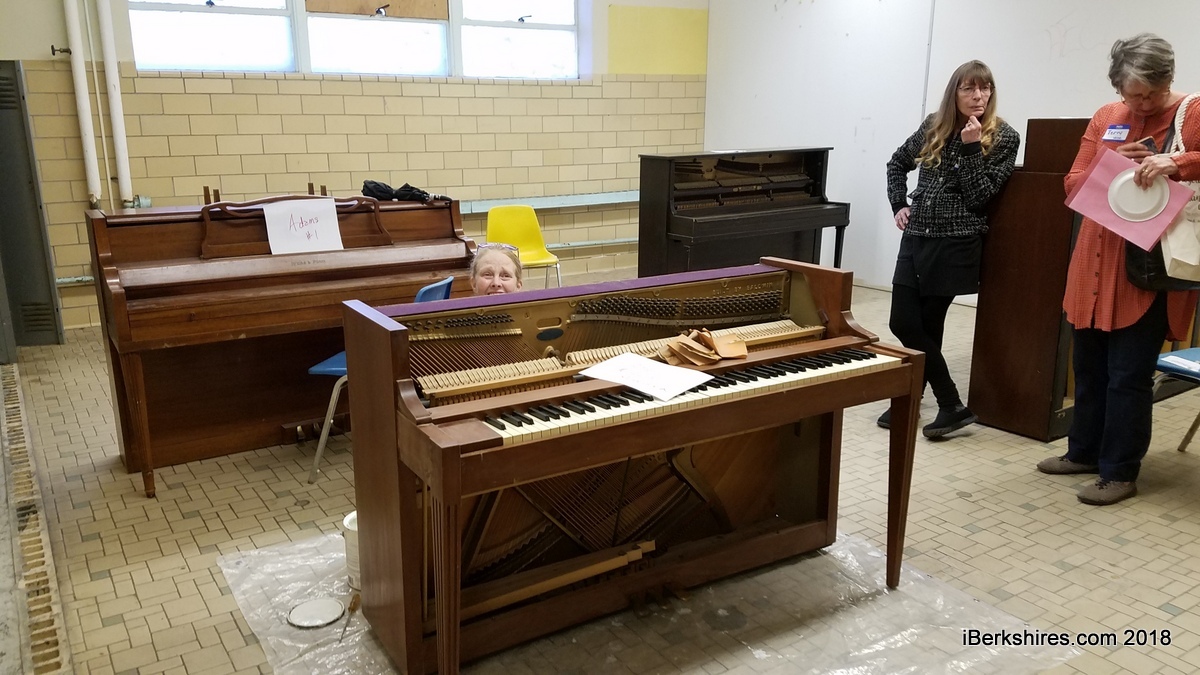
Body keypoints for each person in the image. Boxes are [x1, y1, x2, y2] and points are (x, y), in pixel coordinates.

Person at [1037, 34, 1200, 506]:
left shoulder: (1192, 112)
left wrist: (1177, 162)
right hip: (1093, 260)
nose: (1142, 104)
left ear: (1168, 80)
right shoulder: (1107, 116)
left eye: (1152, 94)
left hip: (1147, 267)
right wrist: (1108, 166)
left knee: (1128, 376)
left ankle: (1120, 472)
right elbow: (1072, 184)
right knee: (1088, 367)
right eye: (1133, 95)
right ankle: (1083, 452)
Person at [882, 60, 1020, 439]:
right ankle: (948, 403)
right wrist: (898, 204)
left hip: (956, 242)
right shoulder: (934, 125)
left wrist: (972, 148)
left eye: (985, 88)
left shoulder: (1004, 137)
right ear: (954, 93)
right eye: (969, 88)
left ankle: (926, 401)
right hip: (917, 236)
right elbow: (897, 163)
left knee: (928, 325)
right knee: (903, 322)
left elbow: (979, 197)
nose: (978, 96)